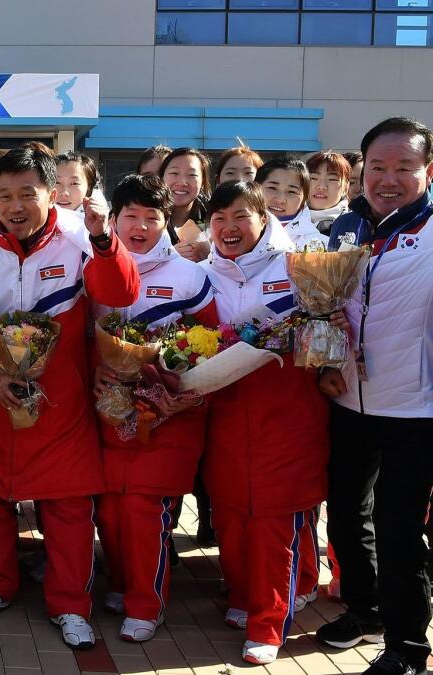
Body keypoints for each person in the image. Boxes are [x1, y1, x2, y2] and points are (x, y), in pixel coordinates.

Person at [0, 146, 139, 649]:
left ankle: (70, 605)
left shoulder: (81, 237)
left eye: (27, 194)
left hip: (64, 400)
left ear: (51, 194)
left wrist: (104, 238)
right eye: (5, 195)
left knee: (69, 509)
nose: (15, 205)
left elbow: (121, 295)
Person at [317, 117, 433, 675]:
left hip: (416, 408)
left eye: (404, 168)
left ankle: (409, 646)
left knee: (398, 529)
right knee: (343, 515)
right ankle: (364, 611)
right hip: (348, 399)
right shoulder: (346, 229)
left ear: (425, 172)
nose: (389, 179)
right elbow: (324, 307)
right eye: (378, 168)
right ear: (361, 171)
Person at [202, 180, 329, 665]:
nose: (229, 228)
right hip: (227, 410)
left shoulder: (301, 265)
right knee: (233, 514)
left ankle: (267, 623)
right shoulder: (202, 272)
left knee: (275, 520)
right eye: (219, 219)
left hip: (287, 410)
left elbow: (334, 324)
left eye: (240, 217)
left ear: (263, 217)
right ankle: (242, 596)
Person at [92, 174, 218, 642]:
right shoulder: (93, 265)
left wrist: (176, 387)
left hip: (167, 418)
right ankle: (125, 585)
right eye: (131, 216)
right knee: (111, 510)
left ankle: (148, 604)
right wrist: (96, 371)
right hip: (108, 412)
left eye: (152, 217)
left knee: (146, 511)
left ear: (167, 221)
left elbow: (209, 344)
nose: (141, 227)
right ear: (114, 219)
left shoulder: (189, 276)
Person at [256, 157, 328, 251]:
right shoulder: (237, 234)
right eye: (272, 188)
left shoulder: (321, 246)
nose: (280, 199)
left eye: (291, 192)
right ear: (255, 188)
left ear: (304, 198)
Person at [158, 148, 211, 263]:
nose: (182, 182)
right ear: (161, 178)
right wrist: (169, 255)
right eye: (174, 173)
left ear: (203, 182)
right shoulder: (148, 218)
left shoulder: (213, 220)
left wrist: (211, 255)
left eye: (192, 175)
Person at [306, 150, 351, 233]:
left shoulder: (356, 225)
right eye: (313, 178)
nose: (322, 186)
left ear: (346, 187)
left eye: (332, 179)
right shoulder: (284, 222)